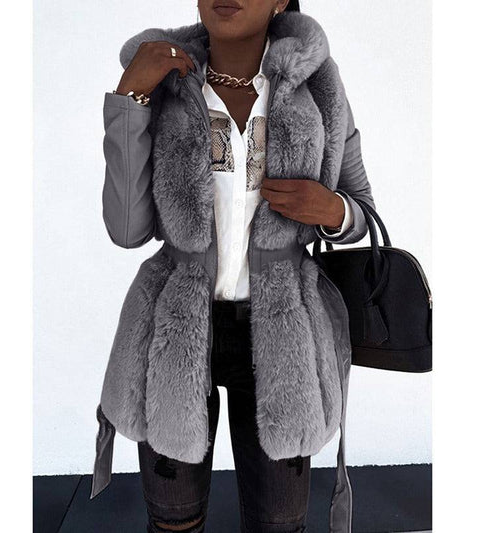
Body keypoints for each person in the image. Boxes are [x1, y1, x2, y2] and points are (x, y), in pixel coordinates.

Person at [91, 1, 375, 532]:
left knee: (279, 524)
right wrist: (130, 99)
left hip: (283, 333)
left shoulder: (319, 84)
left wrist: (331, 210)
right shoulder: (164, 82)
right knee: (173, 524)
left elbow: (361, 210)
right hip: (174, 332)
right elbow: (127, 229)